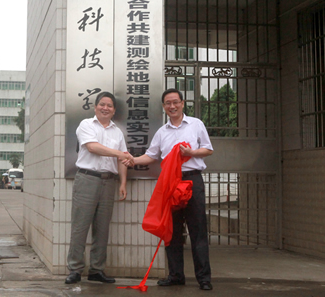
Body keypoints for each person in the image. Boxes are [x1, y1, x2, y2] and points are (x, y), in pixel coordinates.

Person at [128, 88, 214, 291]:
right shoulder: (162, 132)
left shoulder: (196, 124)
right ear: (164, 106)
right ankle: (175, 275)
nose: (172, 106)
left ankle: (204, 278)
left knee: (198, 230)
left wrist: (191, 152)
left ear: (182, 103)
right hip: (170, 183)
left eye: (175, 102)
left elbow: (208, 149)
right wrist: (132, 160)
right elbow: (151, 155)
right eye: (168, 103)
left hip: (192, 180)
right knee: (172, 230)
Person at [64, 91, 133, 285]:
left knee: (102, 228)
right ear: (95, 107)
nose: (105, 108)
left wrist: (123, 183)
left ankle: (97, 269)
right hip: (87, 179)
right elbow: (93, 147)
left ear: (114, 110)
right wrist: (120, 154)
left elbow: (122, 160)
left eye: (109, 105)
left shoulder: (117, 132)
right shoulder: (86, 125)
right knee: (80, 226)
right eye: (102, 104)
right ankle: (75, 269)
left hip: (108, 182)